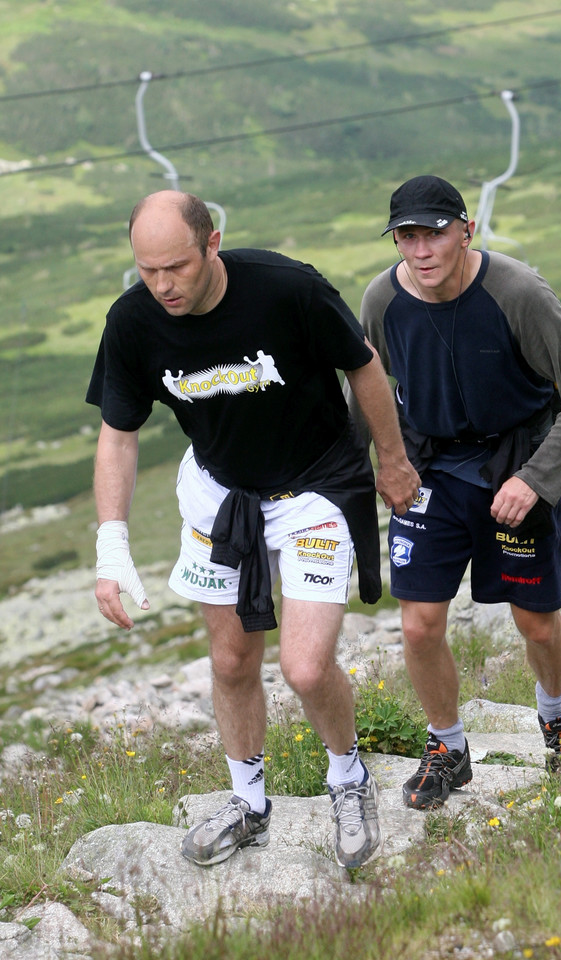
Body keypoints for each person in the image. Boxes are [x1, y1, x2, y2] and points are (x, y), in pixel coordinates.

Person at [86, 190, 420, 868]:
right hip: (220, 492)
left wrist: (392, 460)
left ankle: (347, 778)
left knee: (301, 664)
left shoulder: (285, 290)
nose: (162, 286)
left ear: (212, 244)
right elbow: (118, 436)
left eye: (175, 267)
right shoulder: (133, 322)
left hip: (313, 488)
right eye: (146, 271)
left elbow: (361, 365)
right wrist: (111, 544)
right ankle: (248, 801)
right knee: (232, 659)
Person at [350, 174, 561, 809]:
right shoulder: (382, 298)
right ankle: (448, 747)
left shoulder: (517, 291)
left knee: (538, 625)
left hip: (513, 466)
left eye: (434, 233)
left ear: (466, 231)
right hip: (429, 471)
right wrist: (370, 470)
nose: (421, 250)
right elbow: (368, 384)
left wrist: (538, 479)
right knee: (419, 626)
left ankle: (557, 714)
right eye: (407, 237)